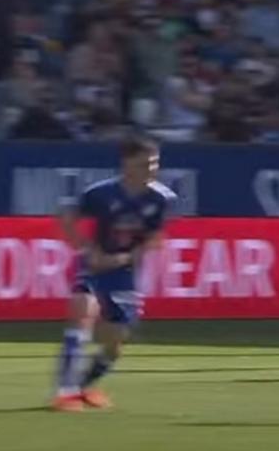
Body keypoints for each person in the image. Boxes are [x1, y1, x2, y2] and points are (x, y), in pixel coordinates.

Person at [52, 135, 176, 412]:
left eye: (154, 163)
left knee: (114, 344)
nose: (151, 169)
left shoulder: (162, 198)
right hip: (94, 266)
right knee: (81, 316)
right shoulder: (100, 193)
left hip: (124, 272)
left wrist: (123, 259)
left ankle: (84, 386)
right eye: (144, 164)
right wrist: (87, 250)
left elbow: (155, 239)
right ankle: (64, 393)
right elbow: (67, 219)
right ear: (126, 164)